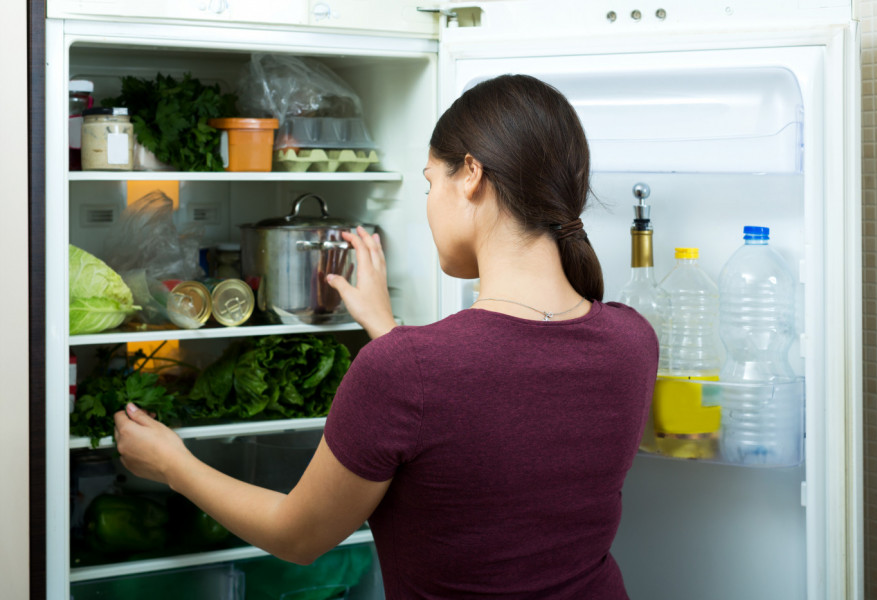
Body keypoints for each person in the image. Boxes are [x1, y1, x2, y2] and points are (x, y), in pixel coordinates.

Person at [114, 74, 658, 599]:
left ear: (470, 174)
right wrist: (387, 329)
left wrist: (172, 464)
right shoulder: (632, 341)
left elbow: (297, 536)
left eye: (429, 180)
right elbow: (495, 403)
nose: (428, 202)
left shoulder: (407, 370)